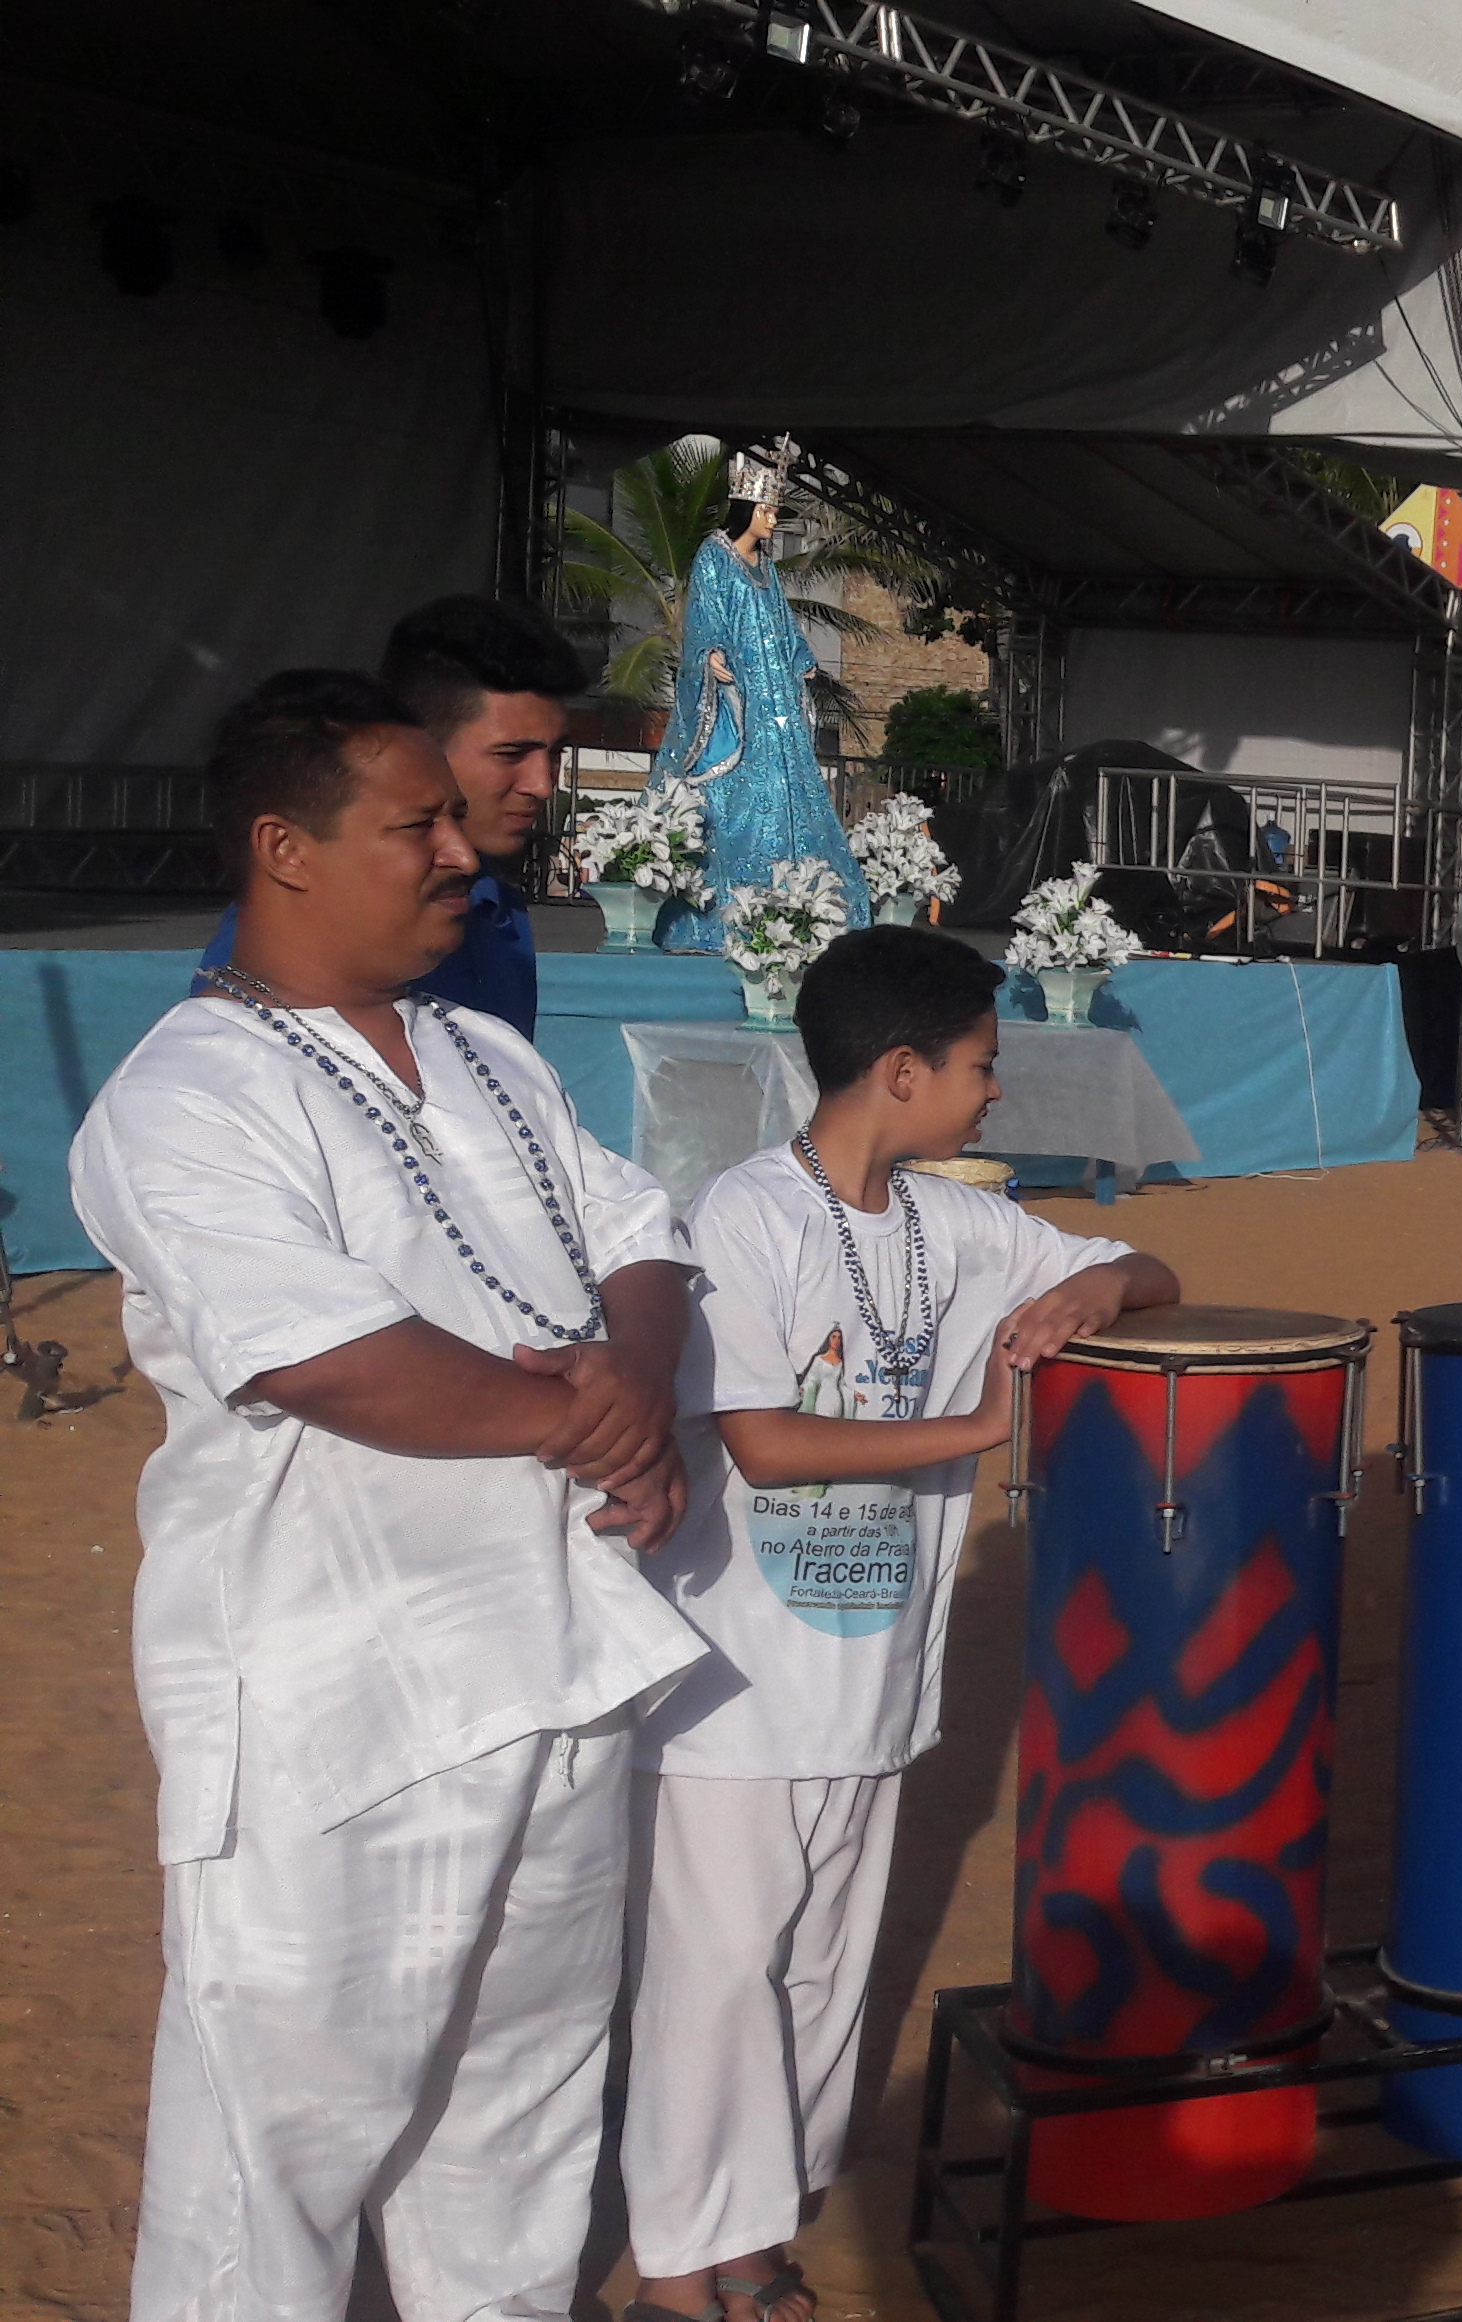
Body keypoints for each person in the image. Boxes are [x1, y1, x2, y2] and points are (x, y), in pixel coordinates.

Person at [72, 670, 706, 2321]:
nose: (463, 853)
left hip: (562, 1666)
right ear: (284, 847)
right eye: (416, 824)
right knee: (273, 2167)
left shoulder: (484, 1051)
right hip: (339, 1705)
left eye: (452, 819)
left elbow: (640, 1234)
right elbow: (323, 1358)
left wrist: (636, 1380)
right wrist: (593, 1423)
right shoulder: (186, 1095)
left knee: (522, 2129)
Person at [615, 925, 1175, 2322]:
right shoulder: (745, 1216)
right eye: (981, 1065)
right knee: (715, 1977)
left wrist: (1091, 1287)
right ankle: (677, 2268)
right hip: (737, 1685)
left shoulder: (957, 1223)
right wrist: (982, 1424)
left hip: (870, 1678)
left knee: (820, 1970)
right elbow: (763, 1441)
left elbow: (1146, 1263)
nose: (997, 1091)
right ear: (903, 1070)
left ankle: (757, 2236)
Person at [198, 595, 589, 1036]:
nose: (542, 784)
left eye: (555, 753)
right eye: (511, 754)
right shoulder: (293, 947)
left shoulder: (497, 911)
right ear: (419, 749)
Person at [658, 436, 866, 950]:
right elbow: (704, 616)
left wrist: (800, 658)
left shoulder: (766, 567)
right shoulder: (715, 556)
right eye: (767, 511)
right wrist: (709, 655)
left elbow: (782, 624)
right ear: (746, 510)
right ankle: (735, 910)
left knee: (792, 790)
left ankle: (805, 904)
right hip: (741, 697)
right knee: (738, 797)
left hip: (777, 702)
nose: (773, 521)